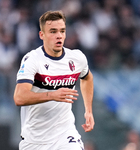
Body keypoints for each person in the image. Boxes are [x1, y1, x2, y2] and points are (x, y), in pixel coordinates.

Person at [13, 10, 95, 150]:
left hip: (65, 134)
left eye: (62, 31)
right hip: (35, 140)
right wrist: (52, 95)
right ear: (42, 35)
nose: (59, 36)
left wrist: (88, 110)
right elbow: (19, 97)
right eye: (53, 31)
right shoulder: (32, 60)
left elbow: (87, 78)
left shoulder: (76, 58)